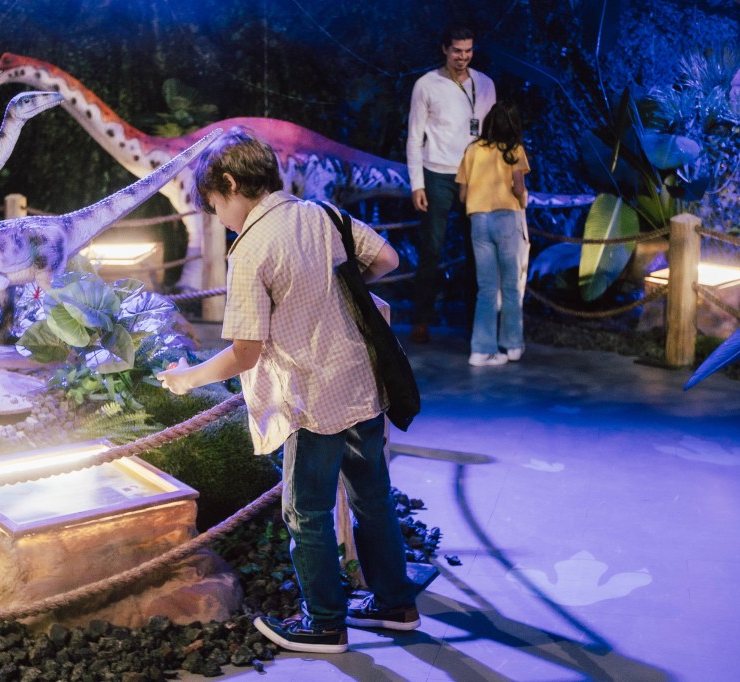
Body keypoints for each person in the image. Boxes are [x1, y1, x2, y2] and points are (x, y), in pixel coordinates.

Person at [158, 129, 419, 654]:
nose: (220, 218)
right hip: (362, 383)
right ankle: (395, 604)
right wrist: (330, 289)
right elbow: (388, 259)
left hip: (309, 397)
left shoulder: (251, 248)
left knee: (306, 511)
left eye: (215, 204)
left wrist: (187, 377)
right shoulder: (323, 214)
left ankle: (324, 622)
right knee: (372, 496)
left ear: (230, 184)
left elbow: (246, 351)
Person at [406, 25, 496, 344]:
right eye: (457, 50)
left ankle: (479, 321)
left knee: (478, 249)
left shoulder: (485, 84)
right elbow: (415, 136)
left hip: (474, 176)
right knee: (431, 248)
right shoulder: (426, 85)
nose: (463, 57)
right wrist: (417, 184)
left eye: (468, 50)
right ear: (445, 49)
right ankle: (421, 320)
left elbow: (488, 136)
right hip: (437, 174)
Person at [456, 99, 530, 367]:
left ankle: (481, 350)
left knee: (486, 287)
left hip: (478, 220)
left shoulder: (473, 149)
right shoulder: (515, 150)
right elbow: (519, 188)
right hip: (506, 218)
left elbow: (463, 193)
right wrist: (522, 204)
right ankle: (512, 346)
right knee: (510, 285)